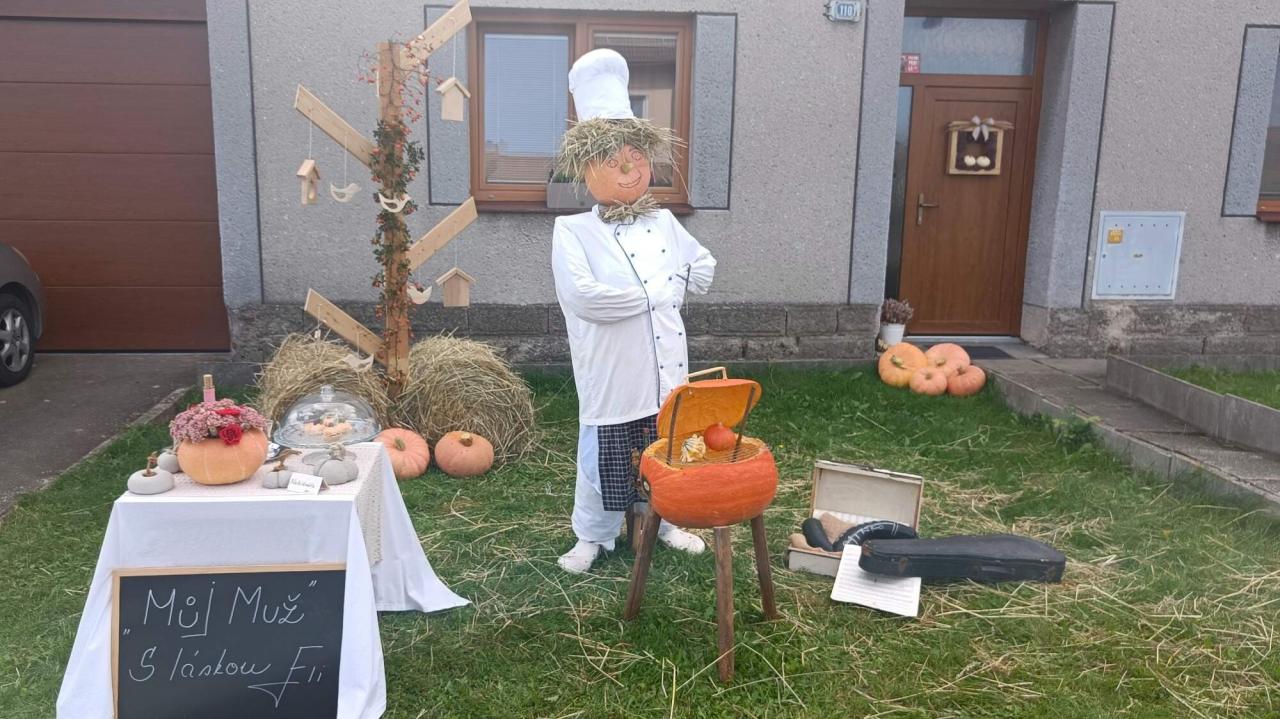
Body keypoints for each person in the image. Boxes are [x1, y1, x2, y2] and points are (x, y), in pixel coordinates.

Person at [551, 49, 717, 574]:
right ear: (587, 168)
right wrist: (654, 293)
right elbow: (584, 298)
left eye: (636, 159)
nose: (628, 171)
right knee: (604, 451)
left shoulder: (663, 221)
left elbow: (702, 266)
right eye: (613, 162)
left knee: (668, 443)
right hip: (611, 366)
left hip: (666, 362)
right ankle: (594, 535)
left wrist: (675, 284)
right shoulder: (573, 231)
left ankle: (668, 521)